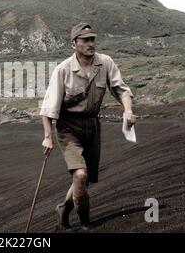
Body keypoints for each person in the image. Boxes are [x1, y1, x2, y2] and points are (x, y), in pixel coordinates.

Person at [39, 23, 136, 230]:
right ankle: (85, 223)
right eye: (85, 40)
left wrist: (127, 110)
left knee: (85, 178)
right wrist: (47, 136)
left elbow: (122, 90)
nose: (91, 44)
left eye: (92, 39)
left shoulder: (105, 63)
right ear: (74, 44)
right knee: (80, 174)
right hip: (68, 128)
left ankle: (64, 207)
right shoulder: (63, 70)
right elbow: (47, 109)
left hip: (92, 125)